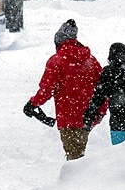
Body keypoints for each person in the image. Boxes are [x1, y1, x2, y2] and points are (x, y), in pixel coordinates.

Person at [24, 19, 106, 160]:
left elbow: (47, 89)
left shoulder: (57, 61)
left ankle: (75, 181)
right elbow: (103, 88)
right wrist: (99, 113)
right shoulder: (91, 61)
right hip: (88, 116)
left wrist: (33, 104)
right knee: (79, 153)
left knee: (74, 158)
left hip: (68, 117)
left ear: (59, 41)